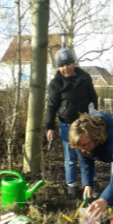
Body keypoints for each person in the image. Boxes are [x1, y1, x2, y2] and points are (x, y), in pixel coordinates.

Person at [45, 48, 99, 199]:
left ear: (73, 63)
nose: (65, 68)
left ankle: (91, 186)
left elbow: (93, 97)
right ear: (58, 67)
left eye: (68, 64)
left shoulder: (85, 78)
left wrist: (93, 110)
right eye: (62, 65)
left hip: (85, 126)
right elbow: (51, 106)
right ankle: (71, 187)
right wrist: (49, 127)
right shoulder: (56, 83)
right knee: (70, 159)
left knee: (87, 155)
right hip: (66, 126)